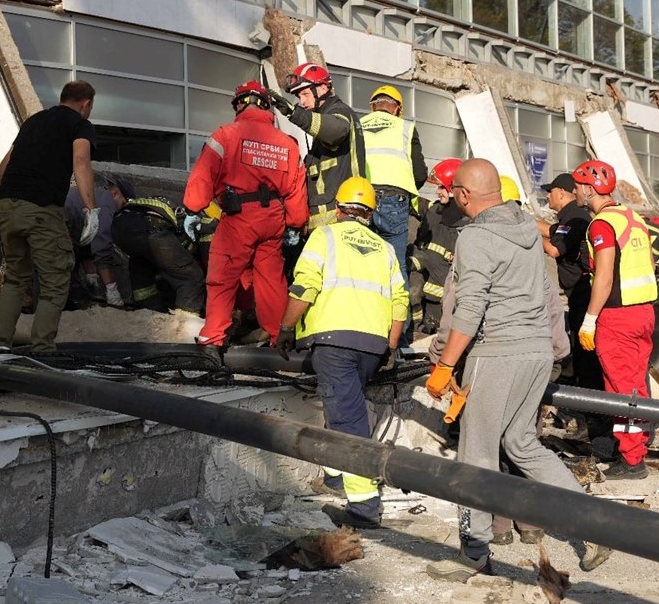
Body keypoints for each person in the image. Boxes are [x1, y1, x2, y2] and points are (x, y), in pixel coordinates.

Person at [423, 159, 610, 580]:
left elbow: (468, 309)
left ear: (465, 195)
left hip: (498, 354)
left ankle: (473, 554)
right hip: (537, 352)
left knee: (477, 453)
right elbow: (545, 291)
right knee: (522, 443)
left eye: (453, 193)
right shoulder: (526, 226)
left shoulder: (475, 238)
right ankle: (596, 525)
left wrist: (445, 363)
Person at [276, 177, 407, 528]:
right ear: (370, 214)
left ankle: (364, 508)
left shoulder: (325, 236)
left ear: (338, 208)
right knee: (344, 409)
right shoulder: (384, 249)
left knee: (348, 420)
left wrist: (286, 328)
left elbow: (304, 286)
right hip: (372, 346)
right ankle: (336, 477)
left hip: (335, 343)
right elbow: (400, 301)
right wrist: (392, 346)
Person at [184, 81, 307, 352]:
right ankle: (279, 338)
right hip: (273, 220)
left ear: (239, 104)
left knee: (222, 278)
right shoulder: (289, 144)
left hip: (239, 218)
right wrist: (295, 223)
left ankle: (213, 340)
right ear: (267, 106)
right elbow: (297, 194)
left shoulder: (226, 135)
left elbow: (202, 179)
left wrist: (194, 208)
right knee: (272, 281)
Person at [0, 80, 100, 354]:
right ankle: (42, 351)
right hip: (41, 209)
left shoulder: (33, 121)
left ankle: (0, 345)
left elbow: (1, 170)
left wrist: (9, 204)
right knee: (55, 280)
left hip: (8, 204)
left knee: (16, 278)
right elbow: (81, 162)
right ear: (86, 104)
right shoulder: (79, 124)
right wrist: (90, 209)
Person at [573, 160, 656, 481]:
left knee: (621, 389)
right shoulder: (632, 217)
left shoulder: (601, 225)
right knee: (636, 382)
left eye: (579, 185)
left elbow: (604, 277)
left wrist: (589, 320)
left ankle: (633, 459)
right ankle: (639, 442)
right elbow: (649, 263)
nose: (576, 190)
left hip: (617, 316)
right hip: (644, 312)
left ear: (590, 188)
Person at [268, 64, 365, 230]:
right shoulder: (324, 118)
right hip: (330, 222)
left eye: (305, 94)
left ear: (323, 88)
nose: (302, 101)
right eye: (299, 96)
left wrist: (294, 114)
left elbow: (336, 130)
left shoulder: (341, 111)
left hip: (341, 220)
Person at [536, 172, 602, 394]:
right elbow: (552, 233)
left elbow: (555, 248)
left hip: (583, 292)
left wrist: (528, 230)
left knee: (586, 353)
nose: (547, 197)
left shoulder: (575, 218)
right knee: (579, 345)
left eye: (550, 192)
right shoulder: (568, 217)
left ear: (562, 193)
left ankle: (590, 402)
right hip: (577, 292)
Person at [360, 85, 428, 285]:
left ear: (373, 108)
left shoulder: (358, 124)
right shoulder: (405, 127)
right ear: (398, 108)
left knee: (365, 264)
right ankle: (398, 316)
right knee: (396, 266)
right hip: (394, 201)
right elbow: (420, 174)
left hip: (363, 200)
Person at [110, 195, 205, 314]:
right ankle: (184, 325)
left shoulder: (153, 203)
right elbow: (179, 257)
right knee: (191, 278)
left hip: (119, 226)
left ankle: (146, 315)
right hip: (152, 226)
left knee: (142, 268)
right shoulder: (189, 225)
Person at [409, 159, 467, 334]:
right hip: (429, 301)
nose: (437, 191)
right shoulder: (434, 213)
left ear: (453, 188)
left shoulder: (469, 222)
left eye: (441, 187)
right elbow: (422, 245)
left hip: (453, 305)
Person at [66, 174, 132, 306]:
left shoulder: (95, 195)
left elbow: (85, 243)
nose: (122, 209)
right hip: (56, 222)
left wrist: (92, 277)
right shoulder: (107, 205)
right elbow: (102, 250)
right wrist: (112, 291)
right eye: (123, 204)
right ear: (115, 193)